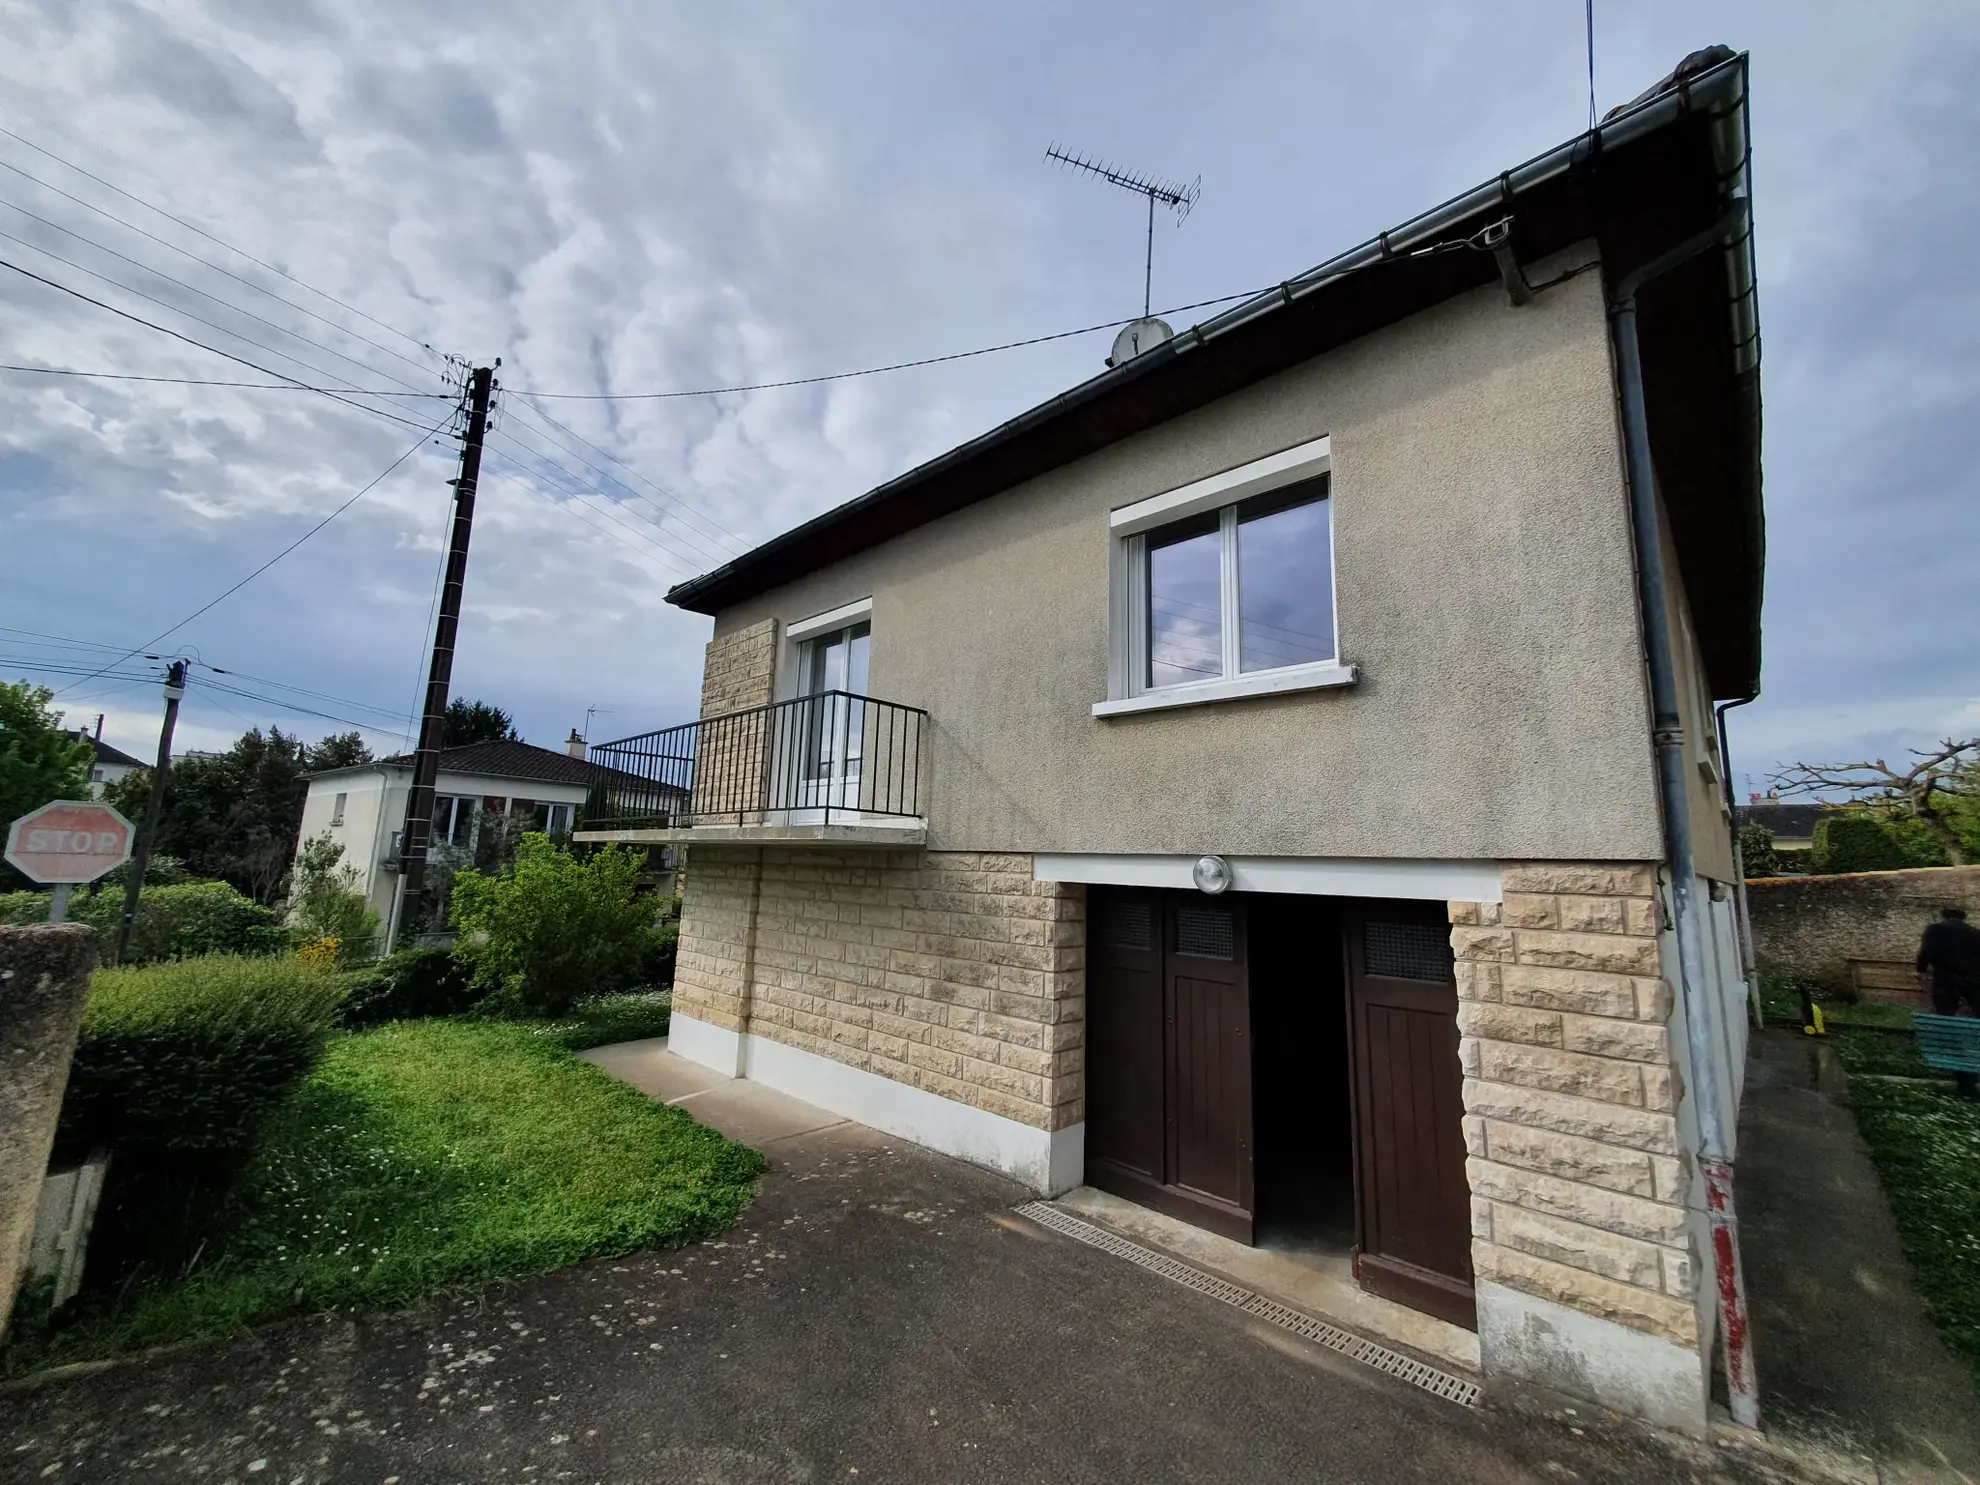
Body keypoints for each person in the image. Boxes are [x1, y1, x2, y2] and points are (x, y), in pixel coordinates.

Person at [1917, 906, 1980, 1098]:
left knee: (1948, 1024)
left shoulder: (1936, 930)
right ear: (1964, 918)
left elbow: (1927, 951)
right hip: (1974, 987)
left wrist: (1920, 970)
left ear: (1944, 916)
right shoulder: (1975, 934)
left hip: (1946, 985)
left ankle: (1961, 1078)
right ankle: (1969, 1076)